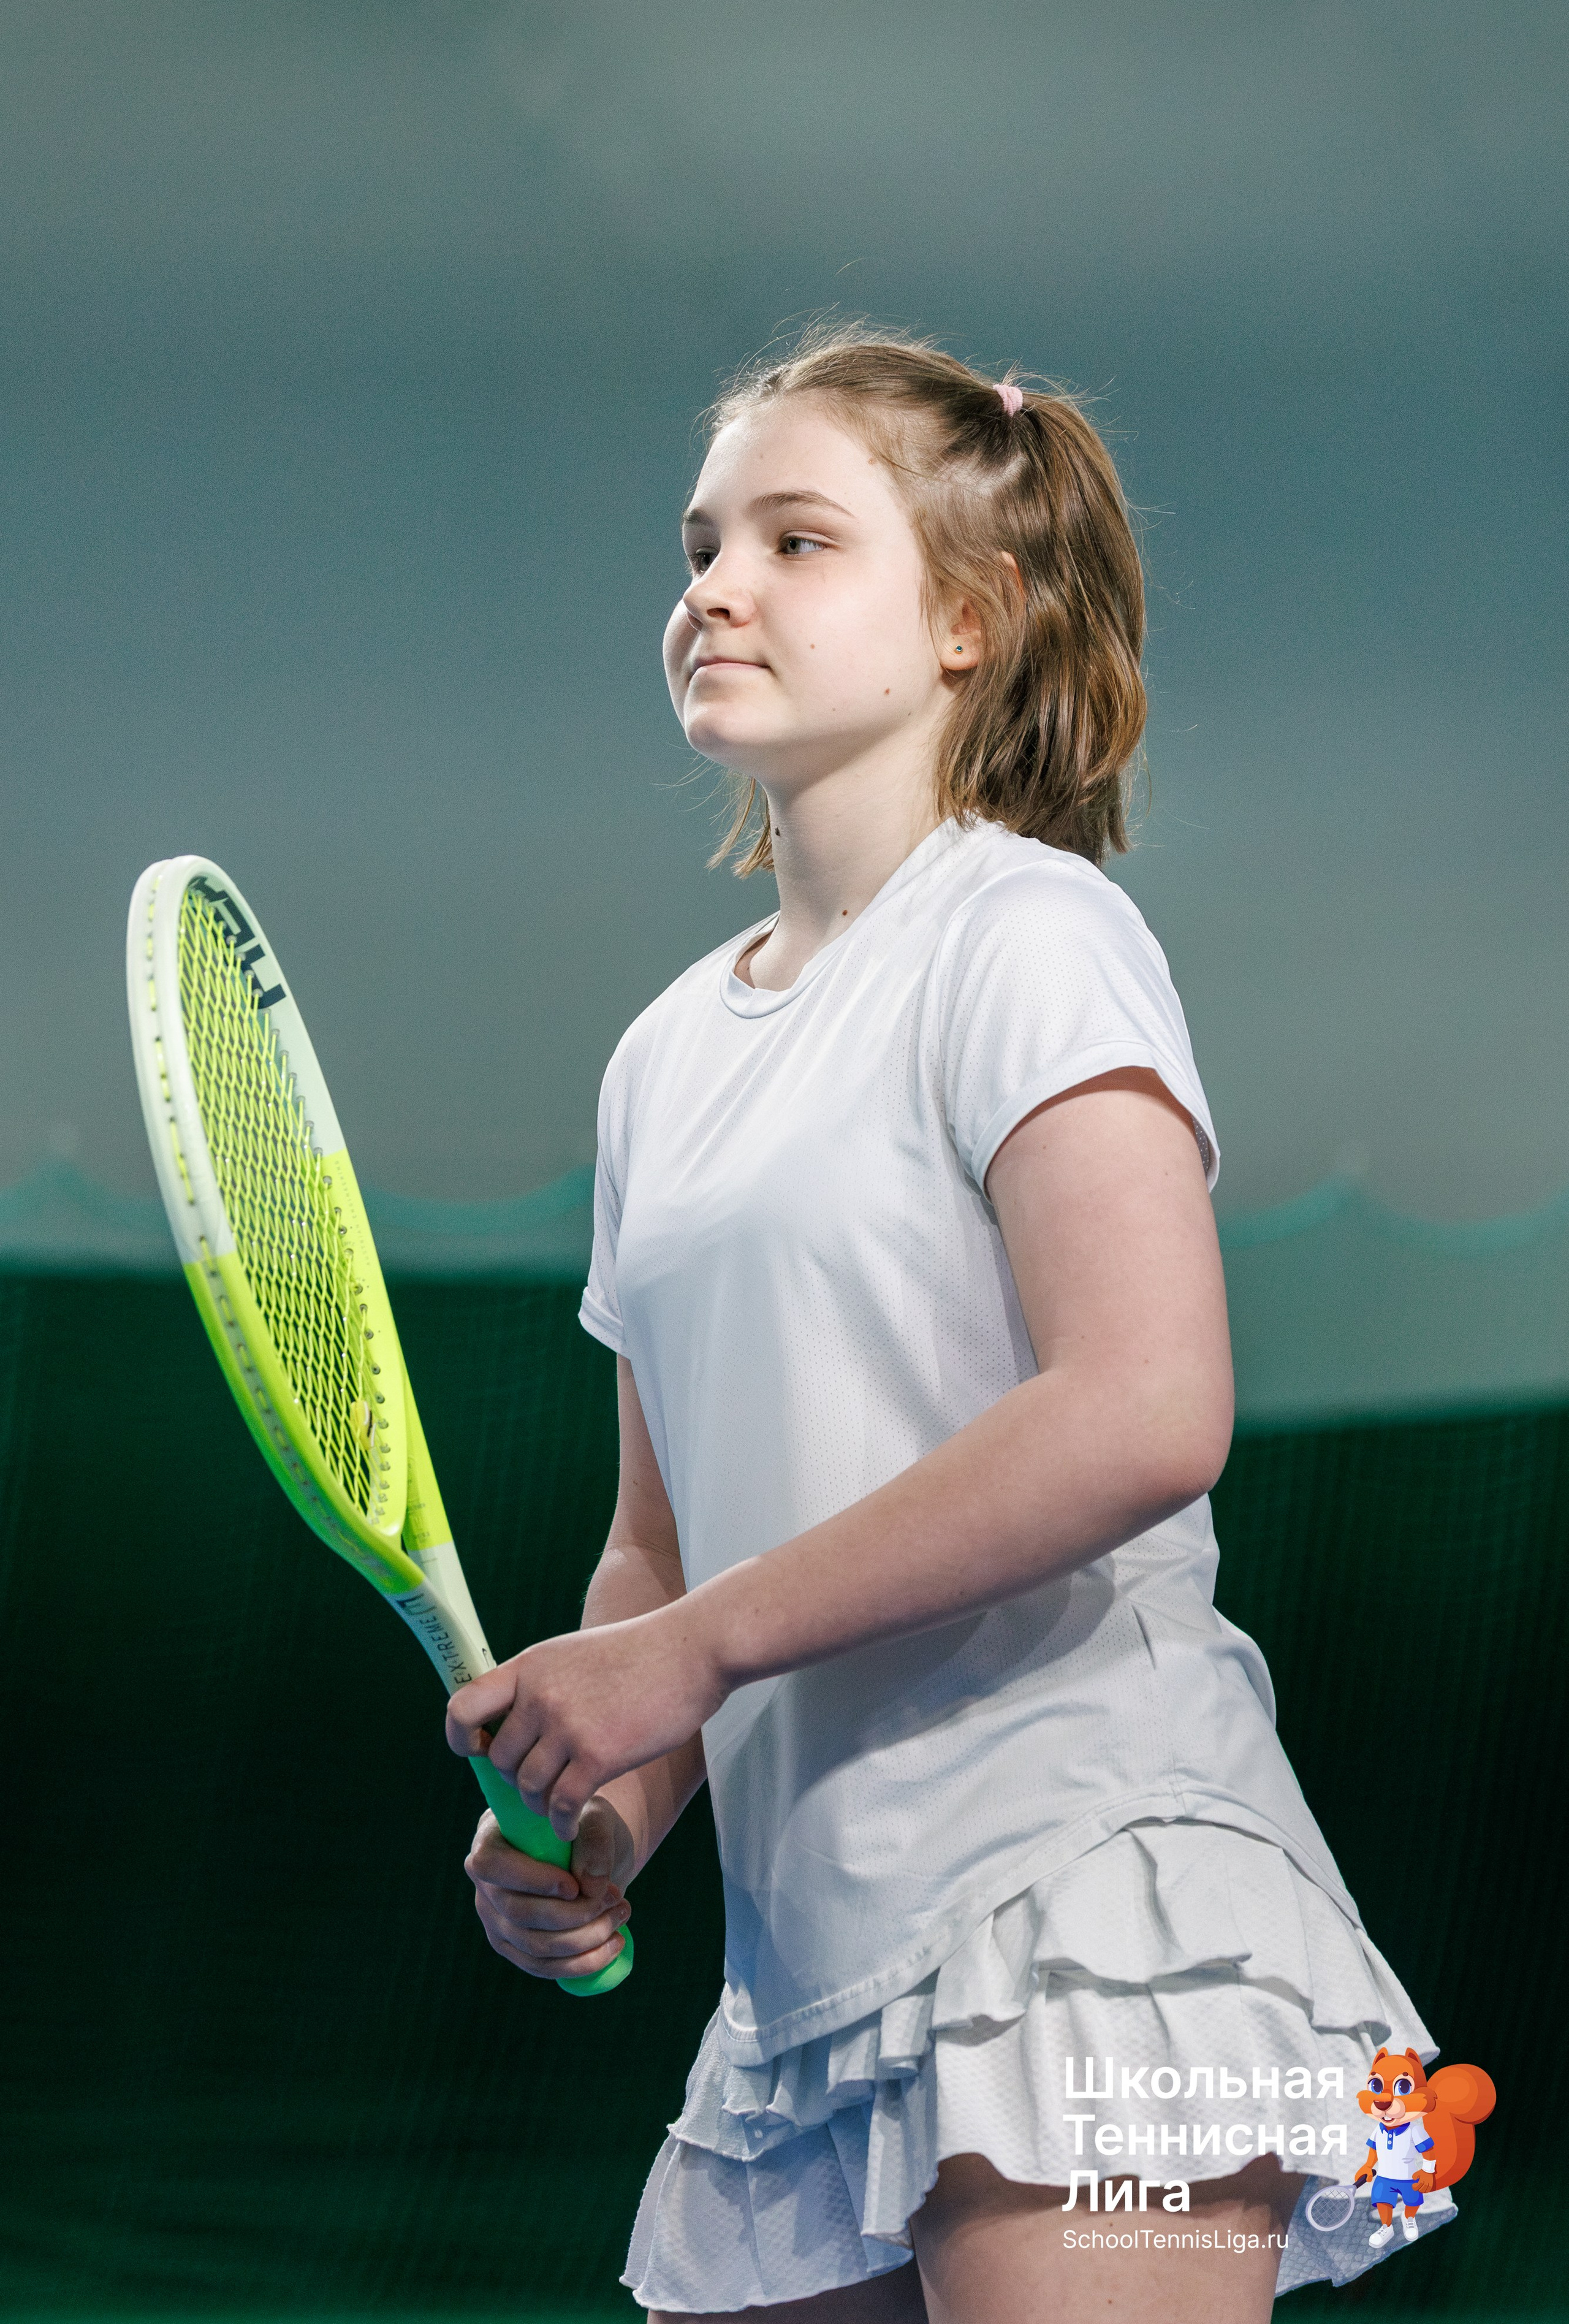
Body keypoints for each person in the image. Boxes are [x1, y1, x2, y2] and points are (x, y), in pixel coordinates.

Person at [446, 332, 1438, 2321]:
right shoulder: (658, 1062)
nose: (716, 585)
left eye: (798, 541)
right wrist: (604, 1806)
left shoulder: (1030, 934)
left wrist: (688, 1651)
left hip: (1099, 1915)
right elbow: (662, 1552)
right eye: (703, 540)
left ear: (967, 625)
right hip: (807, 1986)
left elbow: (1149, 1406)